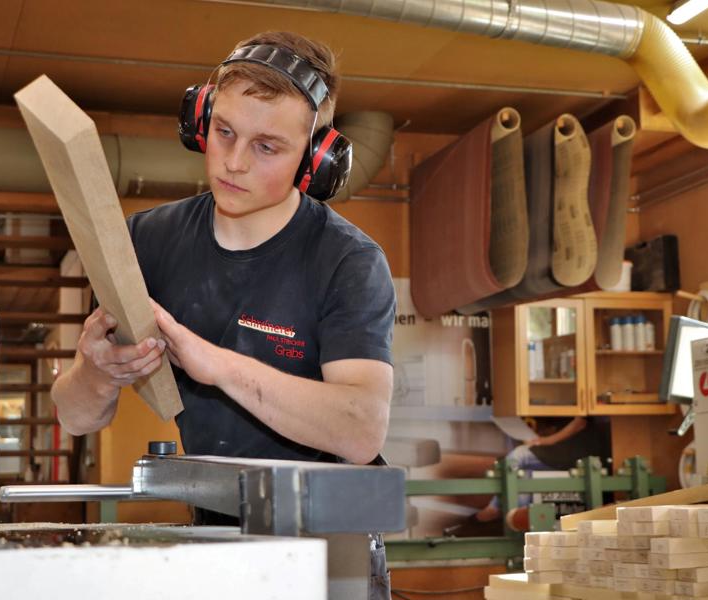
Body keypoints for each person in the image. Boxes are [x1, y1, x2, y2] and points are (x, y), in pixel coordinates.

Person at [50, 31, 396, 597]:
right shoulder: (146, 241)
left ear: (314, 159)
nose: (232, 162)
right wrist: (96, 372)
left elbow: (359, 428)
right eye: (224, 131)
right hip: (212, 531)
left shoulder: (348, 261)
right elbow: (76, 417)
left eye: (267, 147)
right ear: (199, 120)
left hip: (332, 546)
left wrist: (215, 364)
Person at [446, 416, 610, 536]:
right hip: (561, 451)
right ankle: (504, 515)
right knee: (524, 476)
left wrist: (543, 441)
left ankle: (493, 511)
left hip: (576, 449)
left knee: (518, 456)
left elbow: (579, 423)